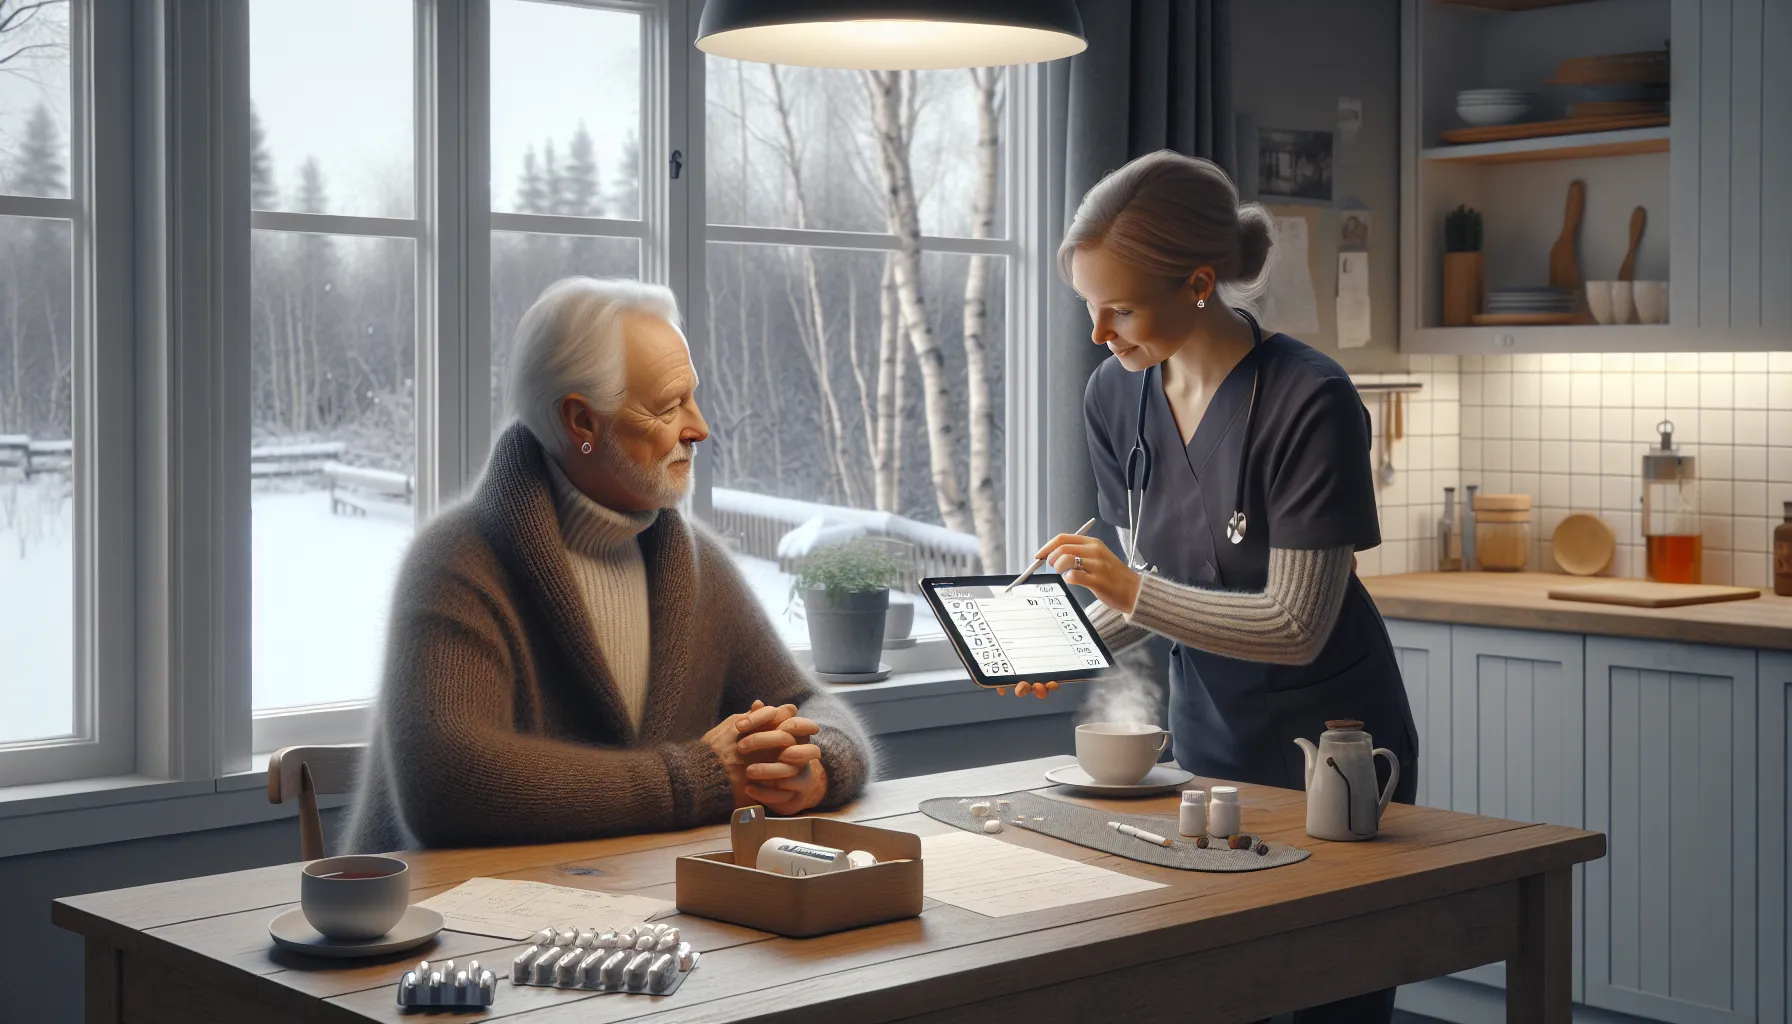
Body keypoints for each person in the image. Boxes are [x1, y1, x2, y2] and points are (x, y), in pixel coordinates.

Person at [1014, 151, 1418, 1023]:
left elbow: (1296, 623)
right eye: (1089, 307)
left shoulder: (1310, 399)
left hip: (1333, 752)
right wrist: (1067, 639)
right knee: (1211, 990)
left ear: (1200, 283)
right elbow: (1158, 580)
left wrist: (1125, 595)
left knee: (1322, 997)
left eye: (1118, 308)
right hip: (1206, 746)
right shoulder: (1113, 396)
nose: (1098, 333)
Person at [344, 278, 875, 853]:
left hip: (637, 917)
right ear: (581, 422)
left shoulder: (697, 563)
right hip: (450, 926)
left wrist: (814, 762)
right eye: (669, 406)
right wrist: (697, 777)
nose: (699, 428)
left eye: (691, 399)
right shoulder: (456, 563)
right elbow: (448, 786)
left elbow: (807, 704)